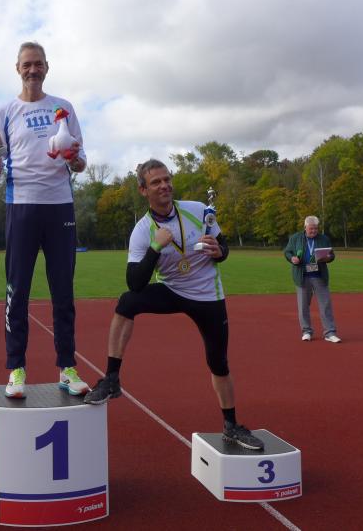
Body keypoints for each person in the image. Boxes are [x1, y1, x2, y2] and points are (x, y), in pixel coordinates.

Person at [83, 159, 264, 451]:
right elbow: (135, 282)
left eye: (167, 179)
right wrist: (156, 247)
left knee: (218, 363)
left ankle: (231, 426)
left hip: (207, 295)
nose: (164, 185)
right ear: (143, 190)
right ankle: (112, 379)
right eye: (156, 182)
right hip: (172, 290)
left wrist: (219, 251)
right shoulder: (142, 230)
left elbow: (223, 247)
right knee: (128, 302)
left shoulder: (197, 210)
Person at [0, 41, 90, 399]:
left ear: (47, 67)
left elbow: (81, 163)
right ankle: (16, 369)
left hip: (60, 206)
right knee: (17, 291)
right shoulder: (5, 112)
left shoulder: (64, 107)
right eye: (27, 64)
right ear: (18, 69)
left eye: (38, 64)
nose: (33, 70)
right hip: (22, 206)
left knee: (63, 292)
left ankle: (67, 368)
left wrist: (73, 158)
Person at [284, 216, 341, 343]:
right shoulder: (295, 238)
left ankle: (330, 333)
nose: (314, 231)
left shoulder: (324, 239)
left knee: (325, 305)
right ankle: (306, 331)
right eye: (311, 229)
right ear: (305, 227)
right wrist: (292, 258)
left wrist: (328, 257)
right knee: (303, 306)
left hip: (319, 276)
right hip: (302, 276)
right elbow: (287, 252)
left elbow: (332, 255)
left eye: (316, 228)